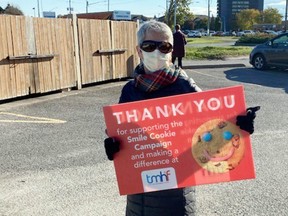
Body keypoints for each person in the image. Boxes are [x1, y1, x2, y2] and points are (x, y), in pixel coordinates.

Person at [104, 20, 259, 216]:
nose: (158, 52)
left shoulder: (184, 85)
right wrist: (114, 147)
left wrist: (240, 126)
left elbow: (214, 131)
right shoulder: (130, 90)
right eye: (150, 46)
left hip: (176, 198)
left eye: (165, 46)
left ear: (171, 50)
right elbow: (120, 135)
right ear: (139, 50)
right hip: (138, 197)